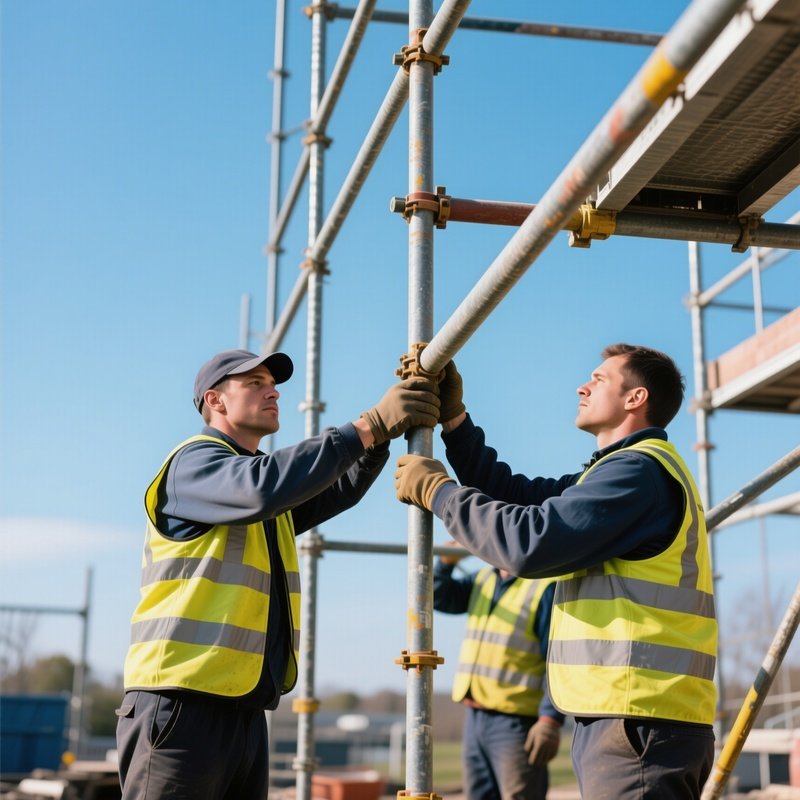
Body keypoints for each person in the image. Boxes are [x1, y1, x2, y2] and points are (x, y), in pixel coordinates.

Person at [395, 344, 718, 800]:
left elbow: (529, 543)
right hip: (635, 717)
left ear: (635, 398)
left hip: (640, 720)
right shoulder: (618, 474)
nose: (582, 386)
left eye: (599, 379)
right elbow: (512, 493)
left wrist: (440, 493)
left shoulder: (637, 473)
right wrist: (454, 421)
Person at [116, 348, 440, 800]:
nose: (273, 392)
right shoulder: (194, 464)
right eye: (254, 384)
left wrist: (379, 440)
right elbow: (265, 486)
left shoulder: (257, 487)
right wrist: (368, 425)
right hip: (180, 706)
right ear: (215, 401)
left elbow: (330, 489)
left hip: (243, 708)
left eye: (273, 384)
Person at [434, 541, 564, 800]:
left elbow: (558, 661)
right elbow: (438, 596)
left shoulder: (543, 587)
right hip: (475, 716)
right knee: (478, 795)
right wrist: (445, 565)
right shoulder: (482, 579)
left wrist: (550, 719)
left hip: (517, 723)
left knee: (520, 795)